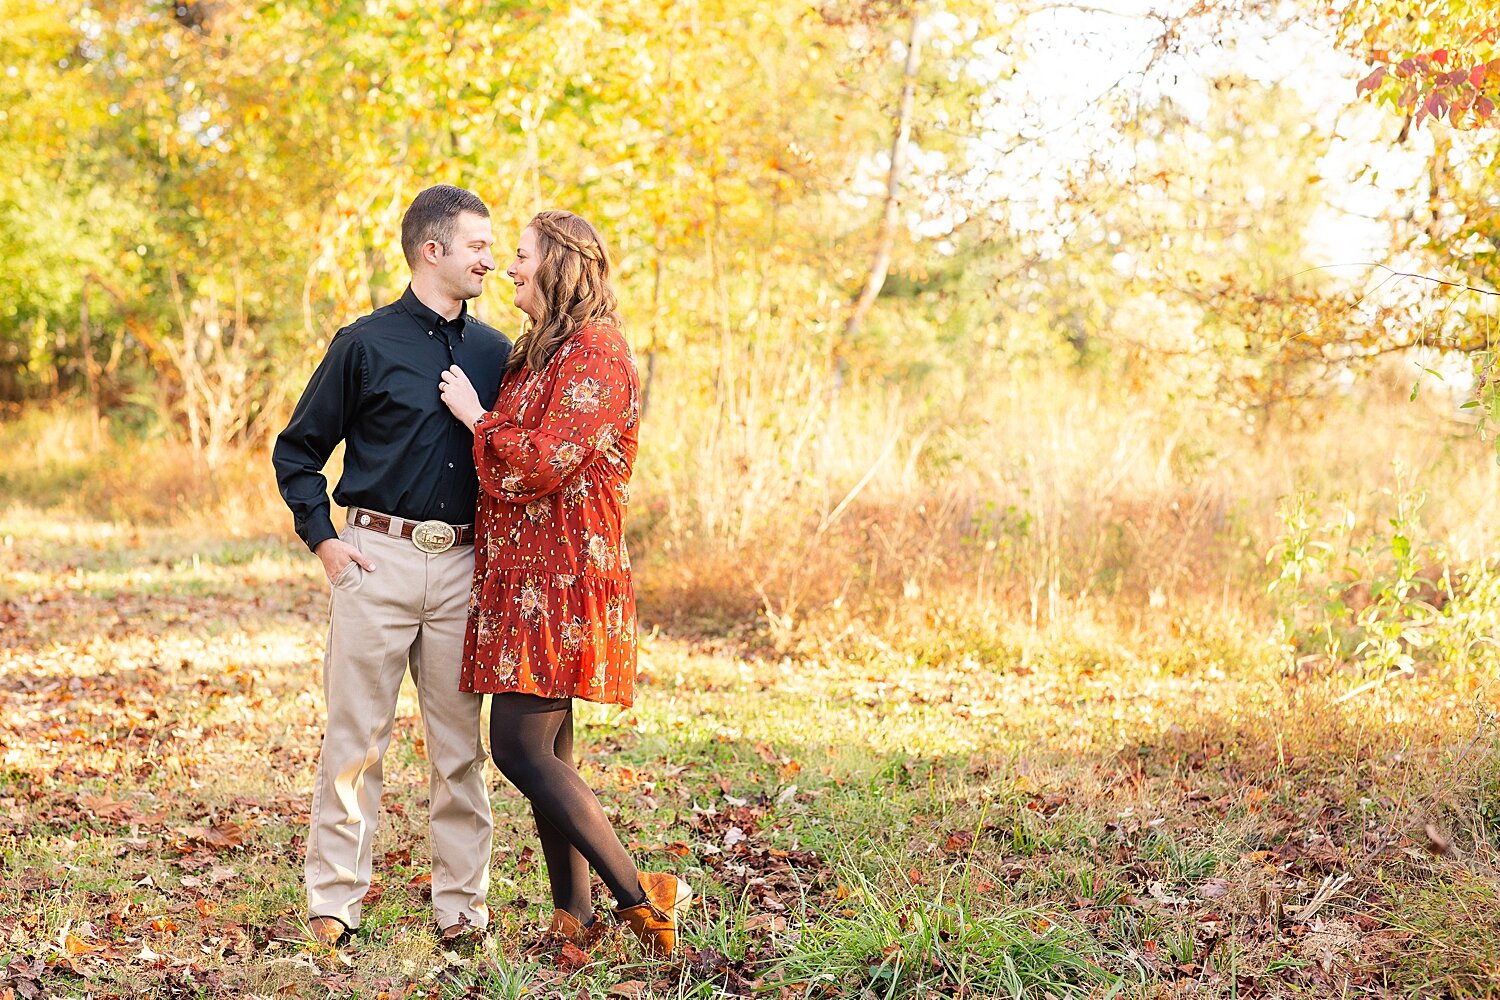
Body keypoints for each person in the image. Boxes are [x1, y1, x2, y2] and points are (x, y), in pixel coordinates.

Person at [436, 209, 691, 955]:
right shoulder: (537, 352)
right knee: (550, 753)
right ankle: (572, 914)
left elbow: (546, 459)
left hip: (564, 577)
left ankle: (644, 897)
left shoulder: (598, 352)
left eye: (522, 256)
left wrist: (477, 418)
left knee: (516, 749)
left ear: (561, 264)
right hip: (519, 576)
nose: (510, 268)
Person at [272, 185, 511, 947]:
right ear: (431, 250)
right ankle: (334, 904)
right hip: (376, 560)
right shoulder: (363, 344)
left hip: (463, 567)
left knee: (459, 750)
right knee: (355, 741)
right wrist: (326, 541)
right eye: (477, 245)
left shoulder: (497, 353)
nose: (490, 259)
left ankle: (462, 912)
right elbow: (299, 450)